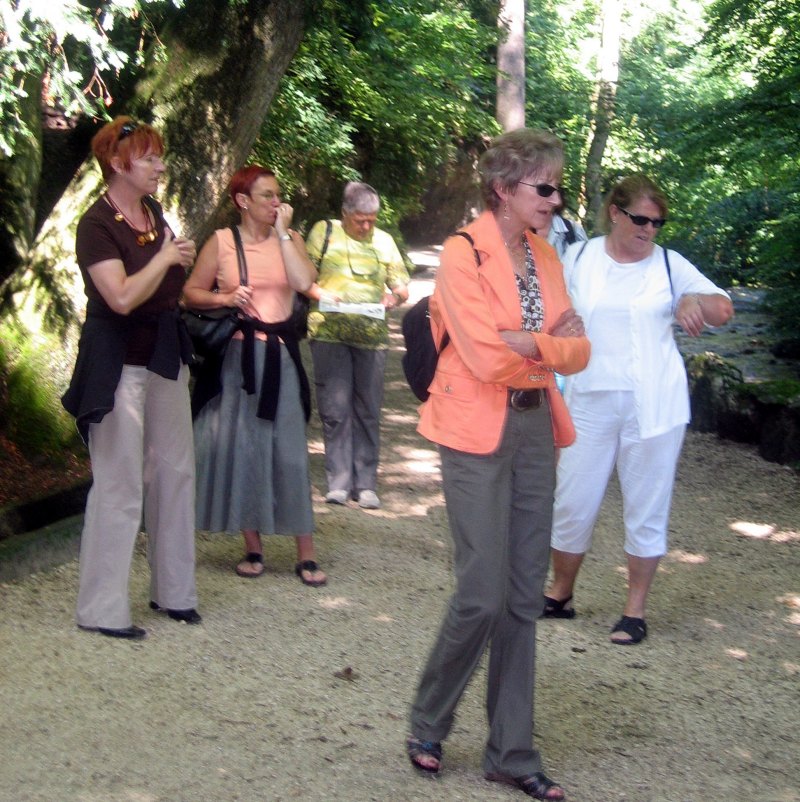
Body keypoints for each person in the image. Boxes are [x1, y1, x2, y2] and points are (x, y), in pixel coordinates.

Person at [406, 129, 590, 801]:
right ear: (504, 189)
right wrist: (546, 345)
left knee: (521, 596)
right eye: (544, 187)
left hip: (536, 426)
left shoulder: (546, 254)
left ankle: (512, 753)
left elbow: (580, 350)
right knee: (481, 593)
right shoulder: (463, 252)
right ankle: (428, 721)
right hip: (472, 427)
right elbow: (484, 357)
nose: (555, 199)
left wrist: (528, 343)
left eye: (556, 188)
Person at [543, 174, 734, 645]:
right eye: (641, 220)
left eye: (657, 223)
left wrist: (692, 300)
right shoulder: (579, 257)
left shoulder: (669, 265)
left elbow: (723, 310)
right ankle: (560, 593)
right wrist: (557, 330)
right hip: (587, 397)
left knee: (647, 504)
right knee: (572, 500)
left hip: (654, 405)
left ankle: (634, 610)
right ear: (615, 213)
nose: (649, 230)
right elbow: (547, 309)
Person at [62, 115, 201, 639]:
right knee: (119, 483)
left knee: (175, 473)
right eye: (149, 158)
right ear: (119, 164)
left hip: (164, 356)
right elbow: (119, 298)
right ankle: (101, 609)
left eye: (159, 157)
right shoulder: (96, 224)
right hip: (116, 364)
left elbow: (164, 285)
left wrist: (175, 259)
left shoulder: (153, 213)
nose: (160, 167)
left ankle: (175, 592)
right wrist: (165, 258)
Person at [183, 165, 326, 587]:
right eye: (267, 196)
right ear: (242, 201)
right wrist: (226, 297)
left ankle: (306, 553)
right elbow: (190, 293)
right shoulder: (222, 242)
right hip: (237, 359)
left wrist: (283, 234)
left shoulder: (291, 238)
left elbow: (304, 282)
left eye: (278, 194)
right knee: (243, 447)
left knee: (290, 451)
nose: (276, 202)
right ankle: (253, 545)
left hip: (281, 356)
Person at [305, 182, 410, 510]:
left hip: (371, 338)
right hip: (329, 333)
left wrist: (393, 297)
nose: (366, 226)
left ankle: (365, 485)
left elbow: (402, 286)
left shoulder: (384, 241)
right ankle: (338, 483)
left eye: (371, 220)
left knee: (368, 410)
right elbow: (302, 277)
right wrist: (320, 294)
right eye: (360, 220)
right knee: (335, 410)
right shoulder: (324, 232)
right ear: (344, 214)